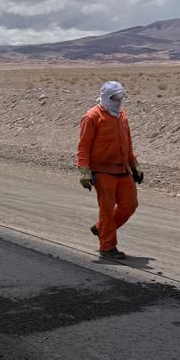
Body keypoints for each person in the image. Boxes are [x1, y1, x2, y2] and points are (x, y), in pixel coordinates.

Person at [77, 80, 144, 260]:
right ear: (107, 97)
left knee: (129, 205)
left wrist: (134, 165)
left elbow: (127, 143)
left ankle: (101, 229)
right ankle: (107, 247)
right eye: (116, 97)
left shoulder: (121, 115)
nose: (120, 100)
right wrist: (84, 171)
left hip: (122, 169)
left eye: (122, 96)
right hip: (102, 171)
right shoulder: (92, 117)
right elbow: (83, 147)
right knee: (106, 210)